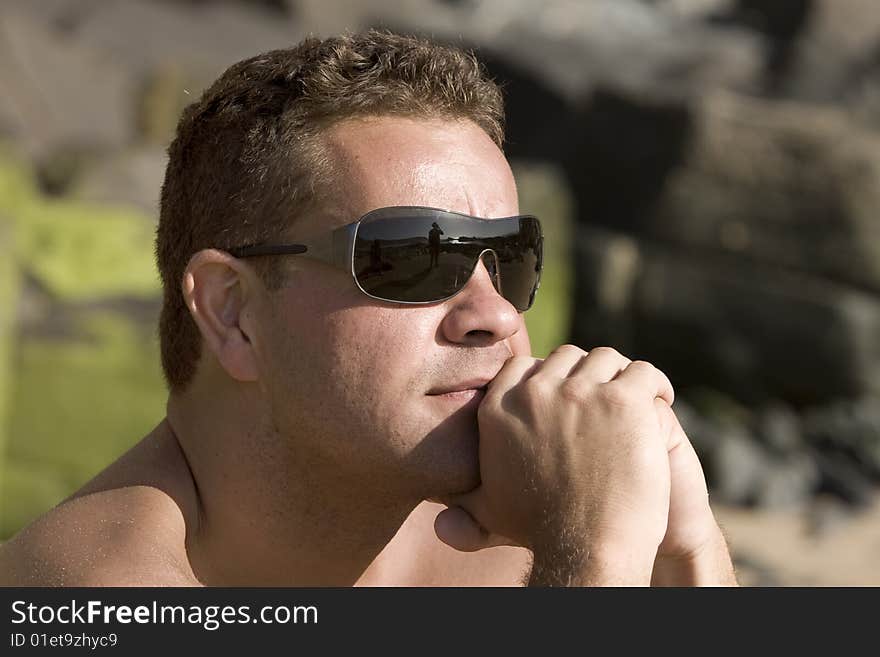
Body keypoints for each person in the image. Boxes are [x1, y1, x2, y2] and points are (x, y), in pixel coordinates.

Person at [0, 31, 736, 586]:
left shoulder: (508, 533)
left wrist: (688, 552)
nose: (498, 316)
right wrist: (595, 560)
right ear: (232, 312)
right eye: (413, 255)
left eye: (509, 259)